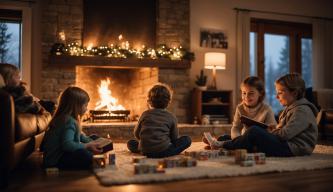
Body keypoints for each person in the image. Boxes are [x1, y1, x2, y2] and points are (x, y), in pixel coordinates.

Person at [211, 73, 318, 157]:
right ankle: (229, 141)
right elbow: (284, 131)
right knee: (239, 136)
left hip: (293, 148)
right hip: (287, 144)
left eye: (280, 93)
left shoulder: (302, 111)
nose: (277, 97)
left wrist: (271, 131)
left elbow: (285, 134)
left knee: (254, 131)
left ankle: (224, 145)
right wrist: (274, 129)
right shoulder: (292, 109)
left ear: (294, 93)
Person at [203, 76, 276, 149]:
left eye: (251, 93)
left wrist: (239, 142)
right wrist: (238, 139)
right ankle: (219, 141)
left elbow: (271, 132)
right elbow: (236, 128)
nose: (246, 96)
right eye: (244, 93)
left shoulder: (267, 109)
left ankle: (219, 143)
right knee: (225, 137)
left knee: (239, 141)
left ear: (260, 93)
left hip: (258, 140)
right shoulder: (240, 108)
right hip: (243, 138)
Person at [43, 86, 102, 169]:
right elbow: (67, 145)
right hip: (56, 160)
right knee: (86, 156)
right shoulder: (68, 121)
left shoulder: (65, 118)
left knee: (94, 137)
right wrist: (88, 145)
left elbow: (80, 136)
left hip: (59, 156)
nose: (87, 108)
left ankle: (96, 147)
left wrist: (93, 142)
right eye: (85, 105)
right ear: (76, 106)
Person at [127, 83, 192, 158]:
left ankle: (145, 148)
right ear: (168, 101)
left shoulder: (145, 114)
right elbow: (174, 138)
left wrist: (147, 141)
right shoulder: (171, 117)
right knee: (187, 139)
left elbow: (136, 134)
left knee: (130, 143)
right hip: (164, 151)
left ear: (149, 101)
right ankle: (162, 150)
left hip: (145, 150)